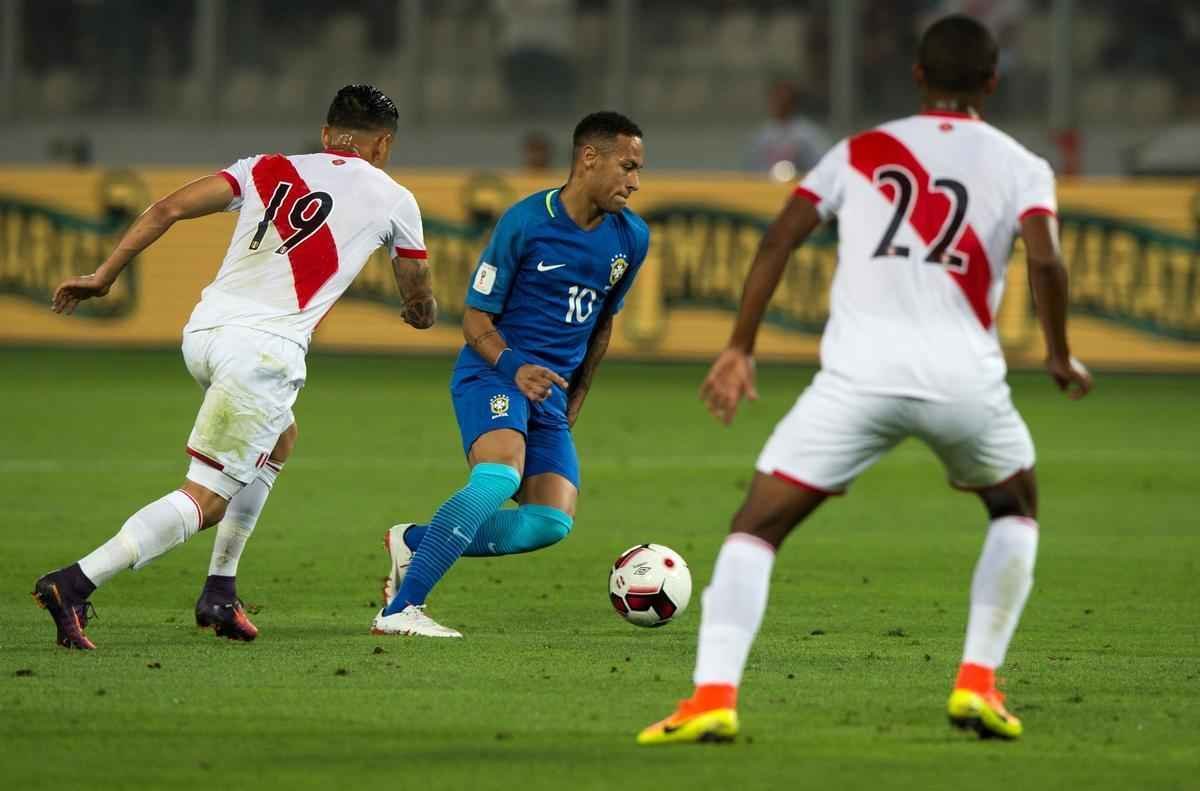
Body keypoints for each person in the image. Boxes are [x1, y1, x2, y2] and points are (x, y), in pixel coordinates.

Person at [638, 15, 1093, 744]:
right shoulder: (1021, 165)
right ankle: (977, 681)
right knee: (1015, 508)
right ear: (992, 82)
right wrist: (1059, 351)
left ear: (916, 75)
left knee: (755, 527)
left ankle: (714, 696)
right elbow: (1045, 260)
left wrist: (739, 345)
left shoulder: (860, 151)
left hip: (856, 380)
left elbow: (781, 235)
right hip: (965, 383)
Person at [32, 84, 436, 649]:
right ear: (384, 144)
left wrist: (103, 275)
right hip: (263, 352)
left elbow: (167, 207)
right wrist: (422, 312)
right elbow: (416, 293)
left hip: (204, 332)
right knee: (206, 497)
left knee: (281, 436)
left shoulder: (266, 168)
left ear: (325, 134)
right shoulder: (394, 198)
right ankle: (73, 583)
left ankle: (220, 591)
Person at [370, 111, 648, 638]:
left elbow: (601, 326)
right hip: (494, 372)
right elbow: (475, 318)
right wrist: (516, 367)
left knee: (549, 522)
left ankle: (414, 542)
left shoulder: (630, 238)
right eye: (627, 166)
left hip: (548, 395)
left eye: (638, 170)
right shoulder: (527, 221)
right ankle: (400, 610)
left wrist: (573, 403)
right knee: (499, 476)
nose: (634, 182)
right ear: (590, 158)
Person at [744, 79, 833, 179]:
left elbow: (822, 166)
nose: (779, 104)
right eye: (776, 99)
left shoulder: (808, 135)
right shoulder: (763, 136)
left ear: (793, 103)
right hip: (766, 190)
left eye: (784, 100)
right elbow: (752, 170)